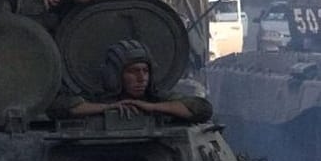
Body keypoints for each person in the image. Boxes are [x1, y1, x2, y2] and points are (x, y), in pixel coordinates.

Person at [52, 39, 212, 122]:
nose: (142, 78)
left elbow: (202, 109)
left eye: (145, 71)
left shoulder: (158, 98)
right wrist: (108, 108)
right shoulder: (96, 99)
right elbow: (59, 107)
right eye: (133, 71)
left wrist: (151, 107)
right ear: (115, 75)